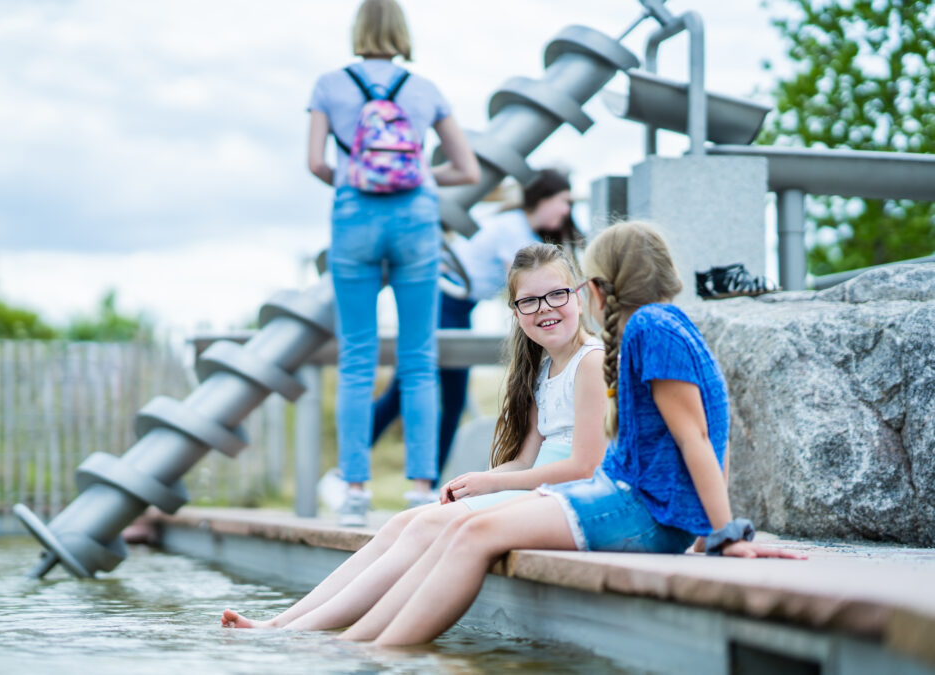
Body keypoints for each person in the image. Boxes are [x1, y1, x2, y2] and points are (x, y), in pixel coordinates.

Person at [330, 221, 806, 647]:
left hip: (634, 506)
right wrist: (708, 533)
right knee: (466, 529)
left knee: (472, 533)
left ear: (595, 291)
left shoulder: (648, 330)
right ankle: (356, 643)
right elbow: (706, 436)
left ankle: (376, 652)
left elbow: (697, 438)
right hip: (633, 500)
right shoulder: (664, 326)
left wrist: (722, 535)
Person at [222, 243, 606, 631]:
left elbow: (583, 467)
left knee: (424, 527)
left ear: (577, 294)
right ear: (515, 312)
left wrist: (491, 481)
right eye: (529, 301)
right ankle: (283, 622)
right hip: (534, 489)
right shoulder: (542, 370)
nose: (544, 308)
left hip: (562, 496)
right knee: (399, 524)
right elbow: (526, 460)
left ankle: (298, 633)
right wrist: (481, 483)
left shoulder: (589, 361)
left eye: (556, 294)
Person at [306, 0, 480, 525]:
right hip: (416, 224)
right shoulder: (424, 89)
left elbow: (316, 161)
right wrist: (420, 177)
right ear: (402, 32)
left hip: (354, 219)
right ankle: (421, 488)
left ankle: (355, 490)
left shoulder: (329, 86)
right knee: (418, 357)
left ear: (357, 30)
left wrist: (352, 179)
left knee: (358, 355)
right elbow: (466, 169)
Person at [368, 169, 584, 507]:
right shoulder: (515, 231)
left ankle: (425, 486)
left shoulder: (520, 227)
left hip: (458, 305)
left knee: (445, 398)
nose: (566, 212)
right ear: (543, 199)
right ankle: (360, 472)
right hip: (446, 300)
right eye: (564, 202)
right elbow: (527, 283)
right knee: (411, 391)